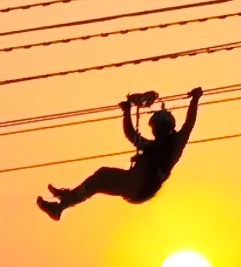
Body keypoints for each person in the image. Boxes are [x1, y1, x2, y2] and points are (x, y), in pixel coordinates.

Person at [38, 87, 202, 219]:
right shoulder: (151, 146)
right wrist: (127, 112)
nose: (156, 131)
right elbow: (130, 134)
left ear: (167, 126)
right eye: (155, 128)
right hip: (136, 185)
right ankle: (62, 204)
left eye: (158, 127)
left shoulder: (175, 144)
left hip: (141, 186)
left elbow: (189, 123)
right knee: (99, 180)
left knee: (102, 176)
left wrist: (194, 100)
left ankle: (66, 201)